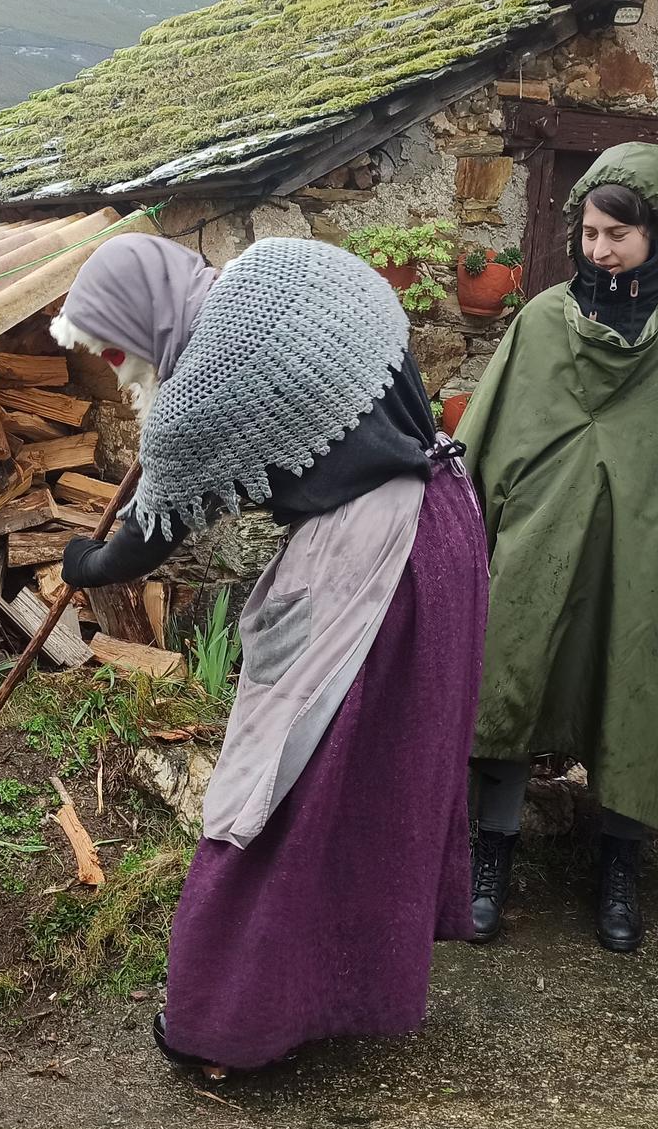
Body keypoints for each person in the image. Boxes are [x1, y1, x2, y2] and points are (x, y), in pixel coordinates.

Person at [52, 231, 488, 1074]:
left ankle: (226, 1023)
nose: (115, 367)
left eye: (114, 346)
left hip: (372, 564)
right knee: (377, 778)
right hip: (446, 530)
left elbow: (143, 542)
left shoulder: (201, 393)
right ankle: (332, 992)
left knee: (280, 780)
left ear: (144, 316)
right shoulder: (294, 267)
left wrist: (86, 564)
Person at [455, 142, 658, 952]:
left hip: (654, 560)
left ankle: (621, 863)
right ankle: (489, 853)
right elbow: (489, 440)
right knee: (511, 675)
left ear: (656, 231)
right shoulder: (538, 322)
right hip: (543, 547)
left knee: (644, 684)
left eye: (619, 235)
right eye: (590, 233)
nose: (600, 250)